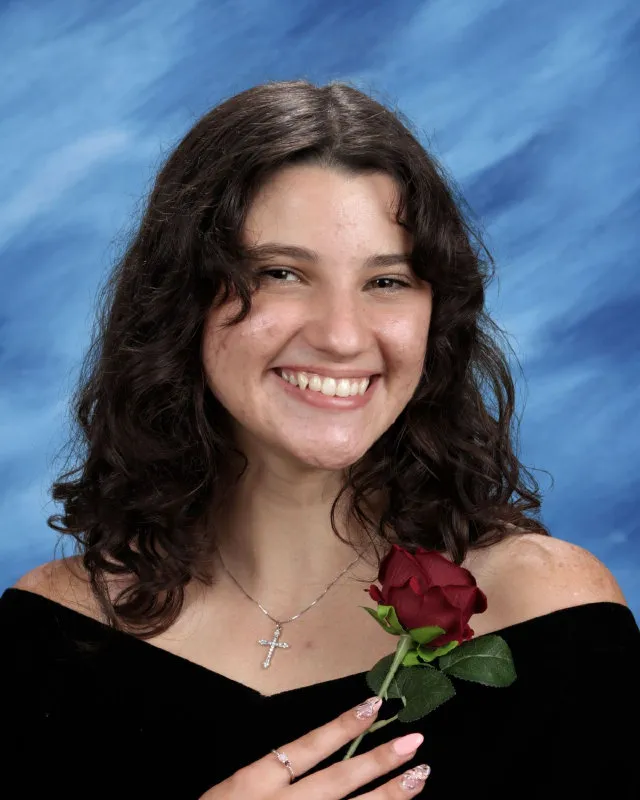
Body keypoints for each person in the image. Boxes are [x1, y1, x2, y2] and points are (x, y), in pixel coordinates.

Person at [1, 79, 638, 799]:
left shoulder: (546, 613)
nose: (340, 335)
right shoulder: (50, 635)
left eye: (388, 281)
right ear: (182, 299)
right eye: (281, 273)